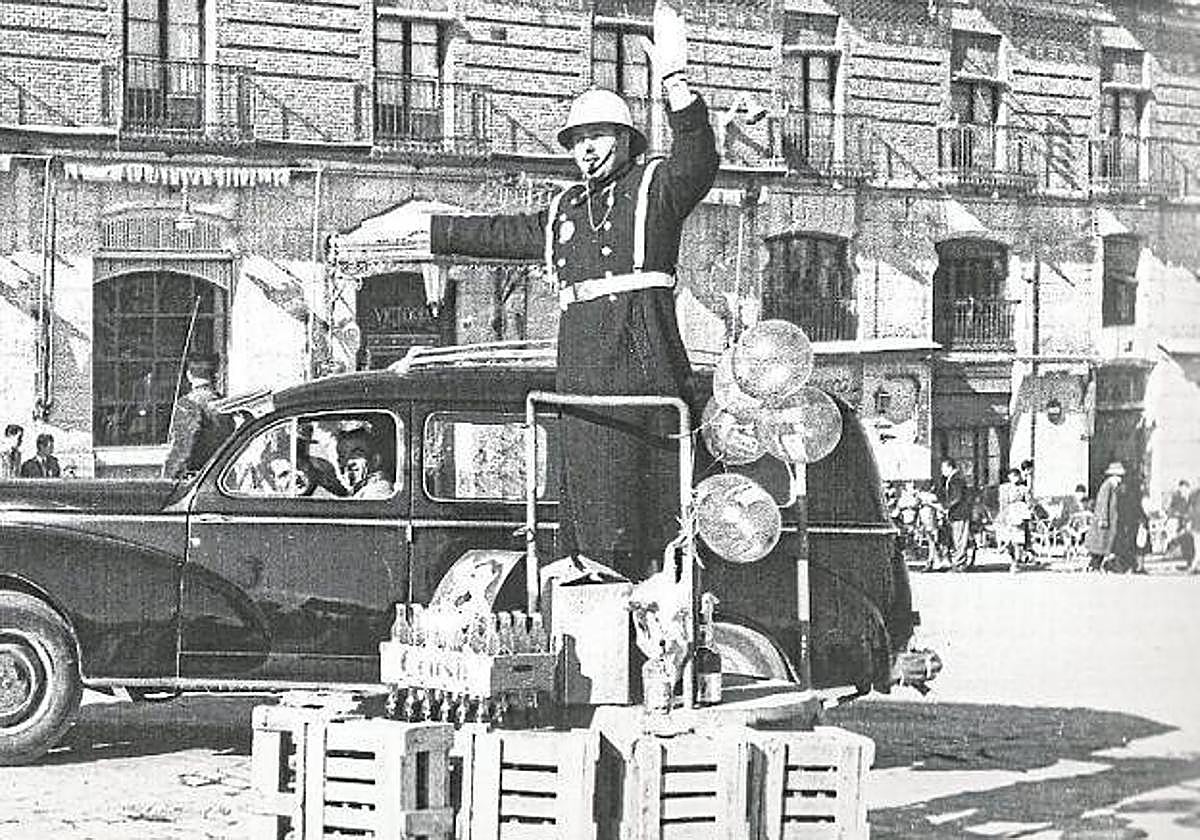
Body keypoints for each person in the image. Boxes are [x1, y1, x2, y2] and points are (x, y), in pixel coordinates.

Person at [414, 0, 718, 580]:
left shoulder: (656, 186)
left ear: (627, 138)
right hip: (582, 376)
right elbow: (504, 232)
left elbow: (698, 161)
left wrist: (676, 84)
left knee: (656, 513)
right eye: (578, 139)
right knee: (591, 509)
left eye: (600, 135)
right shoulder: (564, 209)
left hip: (646, 369)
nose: (587, 148)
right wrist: (429, 229)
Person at [163, 355, 234, 479]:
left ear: (189, 375)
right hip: (221, 477)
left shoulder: (188, 403)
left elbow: (182, 448)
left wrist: (168, 476)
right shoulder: (223, 403)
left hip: (195, 479)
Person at [1086, 461, 1126, 572]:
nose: (1120, 479)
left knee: (1105, 544)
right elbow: (1103, 503)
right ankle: (1094, 565)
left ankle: (1099, 565)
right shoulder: (1107, 486)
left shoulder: (1114, 486)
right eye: (1118, 476)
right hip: (1104, 520)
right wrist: (1103, 519)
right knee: (1100, 544)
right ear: (1112, 476)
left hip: (1111, 520)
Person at [336, 428, 393, 500]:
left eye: (357, 454)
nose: (348, 461)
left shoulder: (378, 490)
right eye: (342, 456)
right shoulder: (359, 488)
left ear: (375, 460)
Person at [937, 457, 972, 570]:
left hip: (959, 512)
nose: (942, 471)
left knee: (960, 539)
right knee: (957, 539)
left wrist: (946, 506)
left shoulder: (956, 479)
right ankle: (958, 562)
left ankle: (960, 564)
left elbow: (956, 497)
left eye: (943, 468)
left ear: (949, 467)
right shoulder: (953, 478)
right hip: (957, 513)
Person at [996, 467, 1032, 570]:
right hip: (1008, 515)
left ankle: (1015, 562)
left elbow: (1029, 503)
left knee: (1018, 540)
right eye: (1012, 476)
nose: (1015, 478)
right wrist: (1003, 516)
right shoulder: (1004, 488)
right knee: (1008, 541)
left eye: (1017, 476)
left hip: (1019, 515)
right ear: (1009, 477)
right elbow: (1002, 504)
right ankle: (1011, 557)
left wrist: (1026, 512)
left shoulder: (1023, 489)